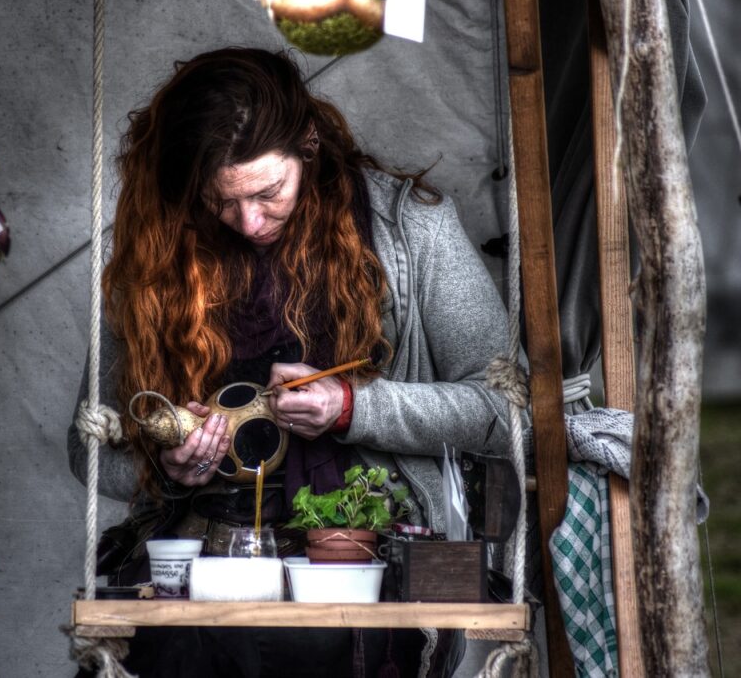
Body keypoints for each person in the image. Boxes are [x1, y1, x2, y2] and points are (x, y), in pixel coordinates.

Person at [68, 47, 510, 677]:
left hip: (366, 549)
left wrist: (355, 406)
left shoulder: (410, 228)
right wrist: (165, 466)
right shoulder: (151, 256)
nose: (248, 221)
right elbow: (85, 443)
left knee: (327, 648)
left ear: (308, 144)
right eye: (220, 201)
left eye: (268, 192)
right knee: (160, 647)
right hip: (199, 554)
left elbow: (504, 409)